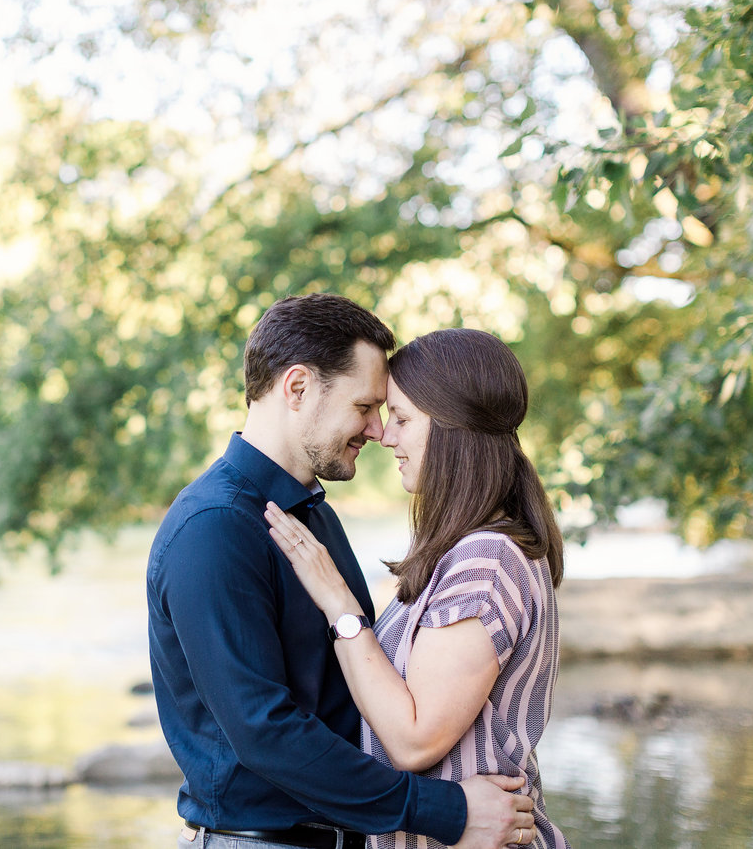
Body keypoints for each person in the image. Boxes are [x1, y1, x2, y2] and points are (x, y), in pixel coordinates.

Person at [147, 295, 537, 849]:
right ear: (298, 388)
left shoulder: (314, 516)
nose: (377, 430)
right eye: (366, 406)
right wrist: (442, 811)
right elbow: (264, 730)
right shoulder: (215, 528)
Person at [263, 328, 570, 849]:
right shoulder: (469, 552)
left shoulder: (485, 561)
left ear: (453, 430)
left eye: (402, 418)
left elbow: (413, 739)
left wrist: (339, 605)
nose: (385, 435)